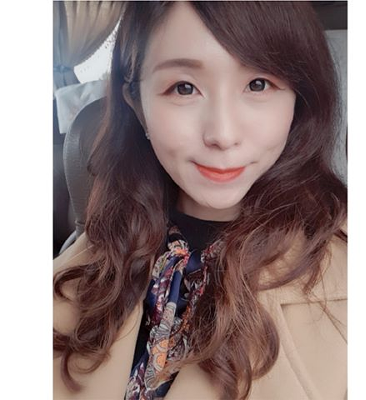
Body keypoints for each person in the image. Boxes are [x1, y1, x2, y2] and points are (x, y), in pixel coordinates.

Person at [53, 2, 347, 399]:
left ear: (300, 98)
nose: (223, 134)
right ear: (136, 104)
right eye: (184, 88)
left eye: (258, 84)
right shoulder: (84, 261)